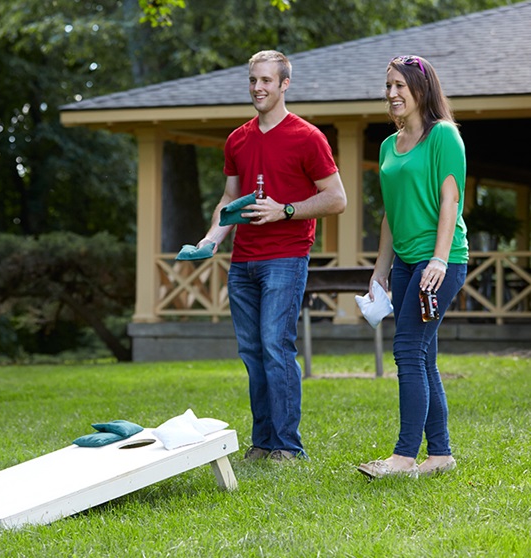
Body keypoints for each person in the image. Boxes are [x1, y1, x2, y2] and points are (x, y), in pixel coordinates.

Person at [193, 50, 347, 462]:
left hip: (286, 257)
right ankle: (262, 443)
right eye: (253, 80)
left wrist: (287, 209)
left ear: (284, 85)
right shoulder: (237, 139)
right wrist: (211, 239)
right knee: (253, 352)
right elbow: (229, 198)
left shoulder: (307, 137)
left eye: (266, 80)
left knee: (276, 347)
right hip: (242, 261)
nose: (258, 88)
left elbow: (336, 199)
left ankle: (287, 446)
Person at [357, 55, 468, 480]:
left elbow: (449, 202)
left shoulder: (444, 137)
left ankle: (404, 458)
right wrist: (380, 270)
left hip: (439, 262)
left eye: (400, 85)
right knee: (424, 356)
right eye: (388, 86)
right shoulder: (389, 146)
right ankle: (439, 455)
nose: (392, 94)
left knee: (407, 349)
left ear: (421, 90)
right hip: (404, 262)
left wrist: (438, 259)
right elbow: (391, 212)